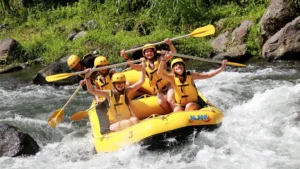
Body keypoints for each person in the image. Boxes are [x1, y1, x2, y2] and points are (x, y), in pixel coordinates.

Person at [84, 58, 146, 132]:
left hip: (126, 119)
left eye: (122, 83)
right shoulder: (108, 93)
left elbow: (141, 81)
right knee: (128, 122)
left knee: (135, 119)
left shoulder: (127, 91)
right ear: (114, 84)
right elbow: (92, 90)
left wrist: (143, 67)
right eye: (118, 83)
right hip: (114, 124)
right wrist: (87, 77)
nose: (120, 85)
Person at [120, 38, 176, 113]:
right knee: (160, 102)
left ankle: (177, 112)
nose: (149, 53)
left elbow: (173, 52)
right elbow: (134, 66)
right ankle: (171, 113)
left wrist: (170, 44)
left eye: (150, 51)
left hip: (169, 85)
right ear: (144, 54)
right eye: (147, 52)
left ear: (154, 52)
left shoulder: (160, 59)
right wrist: (126, 57)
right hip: (159, 90)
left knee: (169, 99)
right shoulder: (144, 65)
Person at [157, 54, 227, 112]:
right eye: (176, 66)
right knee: (176, 110)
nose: (178, 66)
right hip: (181, 105)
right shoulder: (172, 78)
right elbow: (159, 74)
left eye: (180, 65)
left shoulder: (192, 75)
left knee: (189, 106)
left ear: (184, 67)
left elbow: (208, 75)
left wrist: (221, 68)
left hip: (193, 104)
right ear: (173, 70)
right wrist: (163, 60)